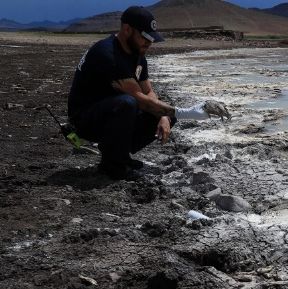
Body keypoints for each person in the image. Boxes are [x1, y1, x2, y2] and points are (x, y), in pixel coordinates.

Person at [67, 5, 230, 180]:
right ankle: (112, 165)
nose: (149, 43)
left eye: (152, 39)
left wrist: (164, 117)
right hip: (85, 119)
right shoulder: (108, 54)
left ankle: (119, 155)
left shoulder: (138, 56)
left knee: (165, 115)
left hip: (110, 114)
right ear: (127, 29)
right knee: (128, 103)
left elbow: (149, 91)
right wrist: (188, 113)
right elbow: (140, 99)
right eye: (144, 37)